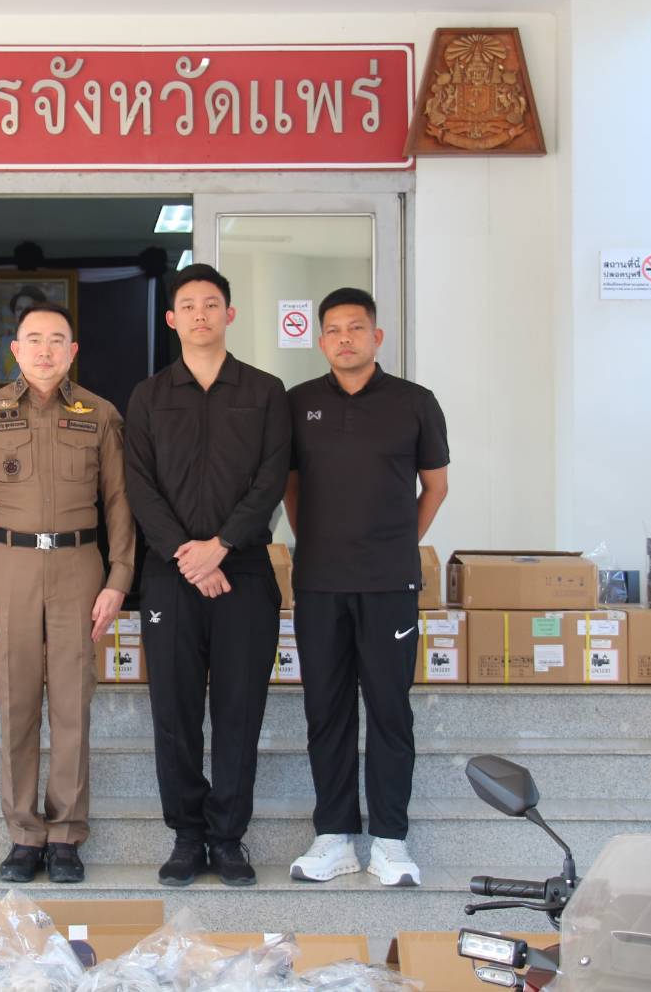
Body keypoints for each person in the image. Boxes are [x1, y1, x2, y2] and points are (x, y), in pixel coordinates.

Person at [122, 263, 291, 888]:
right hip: (171, 574)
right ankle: (188, 836)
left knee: (240, 709)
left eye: (211, 304)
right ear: (172, 319)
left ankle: (228, 838)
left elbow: (271, 478)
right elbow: (139, 485)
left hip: (242, 569)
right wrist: (187, 555)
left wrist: (220, 546)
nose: (200, 314)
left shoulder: (265, 391)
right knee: (175, 710)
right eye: (188, 305)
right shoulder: (148, 396)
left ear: (229, 315)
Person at [0, 301, 134, 884]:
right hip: (9, 567)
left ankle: (66, 835)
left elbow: (119, 502)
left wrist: (118, 578)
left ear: (73, 350)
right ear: (15, 349)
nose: (45, 350)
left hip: (79, 567)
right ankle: (24, 834)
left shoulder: (99, 414)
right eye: (33, 339)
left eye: (57, 339)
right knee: (16, 703)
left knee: (73, 703)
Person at [284, 287, 449, 888]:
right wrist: (318, 543)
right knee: (325, 710)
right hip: (320, 584)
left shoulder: (414, 402)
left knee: (388, 710)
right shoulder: (299, 403)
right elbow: (291, 487)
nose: (344, 338)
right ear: (320, 340)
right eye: (333, 329)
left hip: (388, 584)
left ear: (376, 337)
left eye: (356, 328)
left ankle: (390, 840)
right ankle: (333, 837)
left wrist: (397, 542)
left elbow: (435, 486)